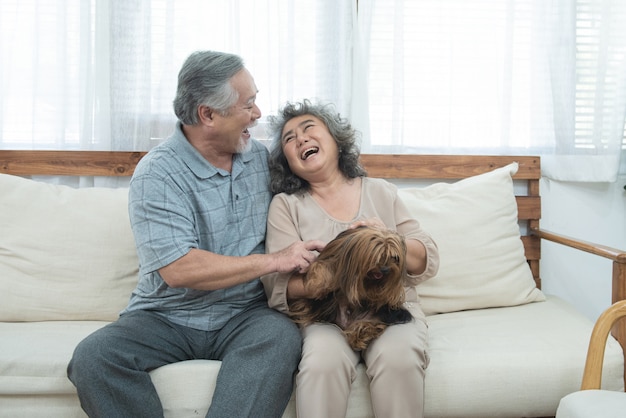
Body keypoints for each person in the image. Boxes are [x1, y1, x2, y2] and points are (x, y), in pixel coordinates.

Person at [67, 51, 325, 418]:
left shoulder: (260, 160)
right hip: (164, 317)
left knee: (280, 338)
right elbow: (179, 270)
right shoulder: (158, 173)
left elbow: (323, 178)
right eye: (248, 104)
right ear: (208, 114)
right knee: (94, 358)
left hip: (246, 314)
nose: (257, 113)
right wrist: (274, 261)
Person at [261, 99, 440, 418]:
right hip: (326, 316)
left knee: (400, 357)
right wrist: (338, 274)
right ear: (287, 161)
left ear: (335, 139)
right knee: (320, 362)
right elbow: (279, 286)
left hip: (391, 310)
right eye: (289, 139)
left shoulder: (381, 191)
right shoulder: (286, 205)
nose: (300, 139)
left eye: (309, 128)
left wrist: (386, 240)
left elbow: (427, 258)